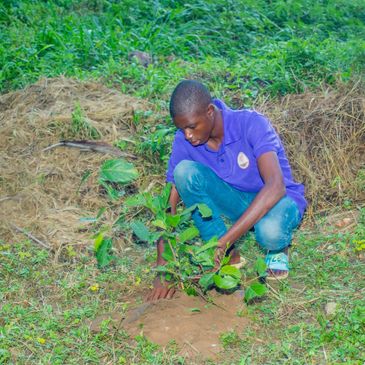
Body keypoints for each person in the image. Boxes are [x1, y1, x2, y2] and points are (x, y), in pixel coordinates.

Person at [147, 80, 307, 301]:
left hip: (278, 201)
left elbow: (275, 186)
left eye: (192, 126)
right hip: (238, 203)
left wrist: (226, 239)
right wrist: (163, 268)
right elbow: (168, 202)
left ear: (210, 111)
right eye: (181, 128)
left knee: (269, 233)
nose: (187, 135)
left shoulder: (250, 123)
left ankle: (276, 249)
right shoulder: (184, 142)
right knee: (183, 172)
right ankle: (227, 256)